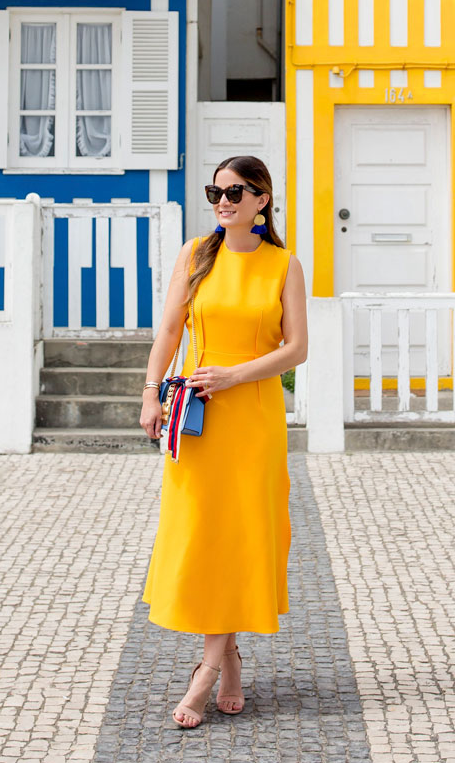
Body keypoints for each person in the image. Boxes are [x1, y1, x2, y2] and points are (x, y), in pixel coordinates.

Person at [139, 155, 308, 728]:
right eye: (215, 191)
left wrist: (237, 375)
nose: (223, 200)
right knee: (203, 533)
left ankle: (207, 671)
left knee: (241, 534)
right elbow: (169, 330)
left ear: (262, 199)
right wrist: (149, 394)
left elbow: (296, 349)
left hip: (254, 417)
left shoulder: (284, 265)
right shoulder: (195, 254)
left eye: (235, 191)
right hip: (198, 418)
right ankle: (228, 655)